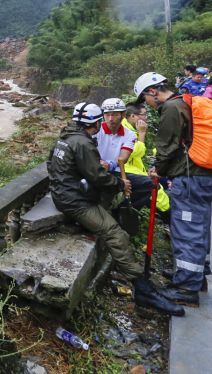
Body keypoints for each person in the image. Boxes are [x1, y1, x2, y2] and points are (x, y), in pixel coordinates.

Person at [47, 102, 184, 316]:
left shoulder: (65, 137)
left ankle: (143, 284)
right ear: (95, 122)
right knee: (115, 234)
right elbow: (96, 175)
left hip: (68, 193)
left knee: (119, 198)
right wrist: (121, 185)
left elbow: (51, 165)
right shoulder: (82, 142)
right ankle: (143, 289)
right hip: (74, 201)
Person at [134, 72, 212, 306]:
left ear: (153, 91)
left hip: (190, 177)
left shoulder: (172, 108)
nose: (147, 105)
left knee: (187, 229)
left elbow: (167, 145)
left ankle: (186, 288)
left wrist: (159, 169)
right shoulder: (186, 100)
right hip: (202, 175)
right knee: (199, 226)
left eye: (145, 99)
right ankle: (195, 276)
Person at [94, 98, 154, 210]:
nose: (110, 119)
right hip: (95, 170)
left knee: (147, 183)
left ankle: (123, 210)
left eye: (114, 115)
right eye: (106, 115)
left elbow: (124, 158)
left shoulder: (129, 134)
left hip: (114, 171)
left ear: (123, 115)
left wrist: (109, 164)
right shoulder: (96, 129)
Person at [123, 103, 171, 223]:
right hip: (128, 171)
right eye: (143, 115)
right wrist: (142, 133)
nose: (146, 118)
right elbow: (137, 152)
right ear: (133, 116)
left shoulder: (129, 128)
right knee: (155, 193)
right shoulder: (126, 130)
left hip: (136, 169)